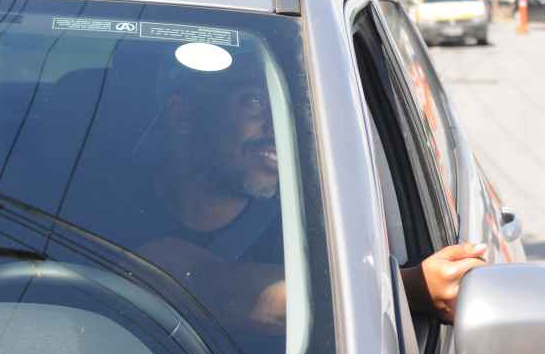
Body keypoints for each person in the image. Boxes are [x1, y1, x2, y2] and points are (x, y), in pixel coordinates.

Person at [136, 48, 484, 338]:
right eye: (255, 101)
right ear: (182, 114)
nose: (279, 126)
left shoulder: (326, 219)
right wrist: (409, 291)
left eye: (288, 106)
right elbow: (213, 286)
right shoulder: (112, 209)